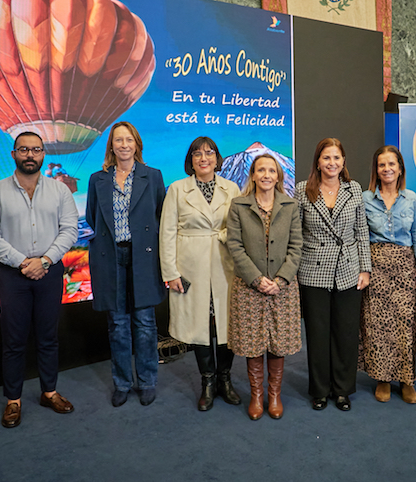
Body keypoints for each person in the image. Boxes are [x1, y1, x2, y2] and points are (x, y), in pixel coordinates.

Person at [0, 131, 78, 428]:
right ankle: (13, 400)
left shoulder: (60, 192)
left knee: (48, 336)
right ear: (14, 154)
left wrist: (45, 260)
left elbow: (70, 229)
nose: (30, 155)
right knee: (14, 339)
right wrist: (23, 262)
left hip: (49, 271)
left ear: (44, 154)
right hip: (11, 275)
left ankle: (49, 392)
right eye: (24, 150)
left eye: (36, 150)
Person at [85, 122, 166, 408]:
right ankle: (121, 383)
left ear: (137, 144)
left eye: (128, 139)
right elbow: (93, 218)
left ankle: (146, 381)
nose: (123, 145)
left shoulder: (153, 176)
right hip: (111, 257)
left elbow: (160, 217)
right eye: (118, 140)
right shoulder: (98, 180)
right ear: (111, 146)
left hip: (143, 256)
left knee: (144, 323)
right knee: (117, 324)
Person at [159, 136, 242, 411]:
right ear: (190, 160)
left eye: (209, 153)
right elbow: (167, 232)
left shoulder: (232, 189)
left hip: (225, 265)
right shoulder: (177, 189)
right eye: (197, 153)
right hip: (190, 266)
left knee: (227, 324)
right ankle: (207, 382)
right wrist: (170, 271)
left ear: (218, 159)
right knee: (201, 326)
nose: (203, 158)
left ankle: (225, 380)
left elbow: (242, 227)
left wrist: (224, 235)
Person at [295, 138, 371, 411]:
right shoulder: (303, 190)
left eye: (337, 158)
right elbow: (296, 234)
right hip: (313, 271)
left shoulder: (354, 190)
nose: (332, 163)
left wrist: (365, 269)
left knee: (346, 334)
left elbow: (362, 232)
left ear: (343, 162)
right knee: (317, 334)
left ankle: (342, 390)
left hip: (349, 271)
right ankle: (319, 390)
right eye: (326, 158)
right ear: (317, 161)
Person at [226, 154, 302, 420]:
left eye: (272, 170)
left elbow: (296, 247)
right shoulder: (239, 205)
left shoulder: (291, 206)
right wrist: (256, 279)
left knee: (278, 342)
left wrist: (281, 280)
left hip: (283, 287)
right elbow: (234, 245)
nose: (267, 175)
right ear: (253, 175)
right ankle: (257, 395)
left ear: (279, 176)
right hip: (249, 287)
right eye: (261, 170)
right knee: (253, 342)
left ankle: (274, 395)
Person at [360, 146, 416, 404]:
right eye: (382, 165)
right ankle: (382, 378)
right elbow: (361, 237)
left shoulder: (411, 198)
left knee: (405, 323)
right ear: (376, 170)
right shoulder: (366, 198)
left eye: (392, 164)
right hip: (375, 267)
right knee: (377, 324)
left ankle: (406, 379)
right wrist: (364, 269)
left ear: (400, 168)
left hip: (405, 266)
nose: (387, 169)